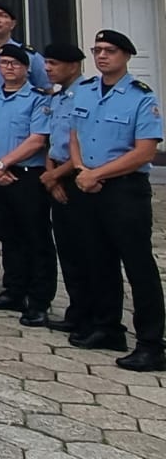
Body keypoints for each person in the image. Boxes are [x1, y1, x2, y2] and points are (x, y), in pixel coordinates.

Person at [69, 28, 165, 371]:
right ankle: (108, 327)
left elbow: (144, 153)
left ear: (126, 55)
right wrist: (82, 169)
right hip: (89, 185)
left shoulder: (140, 97)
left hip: (124, 190)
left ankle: (152, 344)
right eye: (97, 50)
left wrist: (99, 174)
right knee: (99, 260)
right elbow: (74, 134)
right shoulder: (84, 91)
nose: (102, 56)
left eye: (109, 50)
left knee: (138, 266)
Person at [0, 43, 55, 324]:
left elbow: (37, 140)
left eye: (15, 64)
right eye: (4, 63)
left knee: (35, 237)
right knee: (8, 235)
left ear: (27, 68)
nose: (9, 68)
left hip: (26, 175)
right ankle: (14, 290)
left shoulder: (38, 99)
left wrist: (3, 164)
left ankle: (39, 300)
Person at [38, 42, 90, 335]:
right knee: (68, 250)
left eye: (54, 63)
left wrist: (56, 175)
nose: (47, 68)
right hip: (56, 173)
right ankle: (76, 311)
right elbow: (53, 140)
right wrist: (50, 175)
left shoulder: (86, 95)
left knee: (85, 250)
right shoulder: (58, 97)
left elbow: (82, 144)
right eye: (47, 63)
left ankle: (91, 316)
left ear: (73, 65)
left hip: (75, 174)